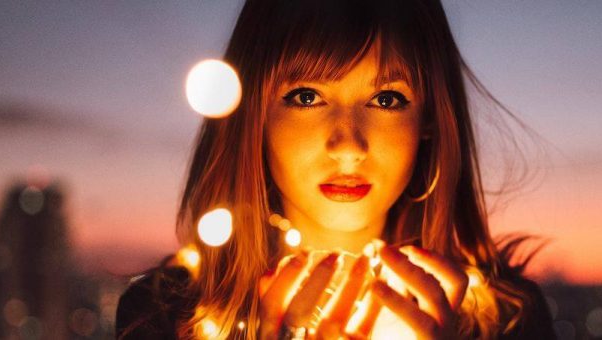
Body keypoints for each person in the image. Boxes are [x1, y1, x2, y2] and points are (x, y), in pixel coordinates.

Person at [116, 0, 556, 338]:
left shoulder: (510, 322)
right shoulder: (165, 317)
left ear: (429, 120)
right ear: (255, 115)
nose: (348, 146)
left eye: (386, 99)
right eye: (306, 96)